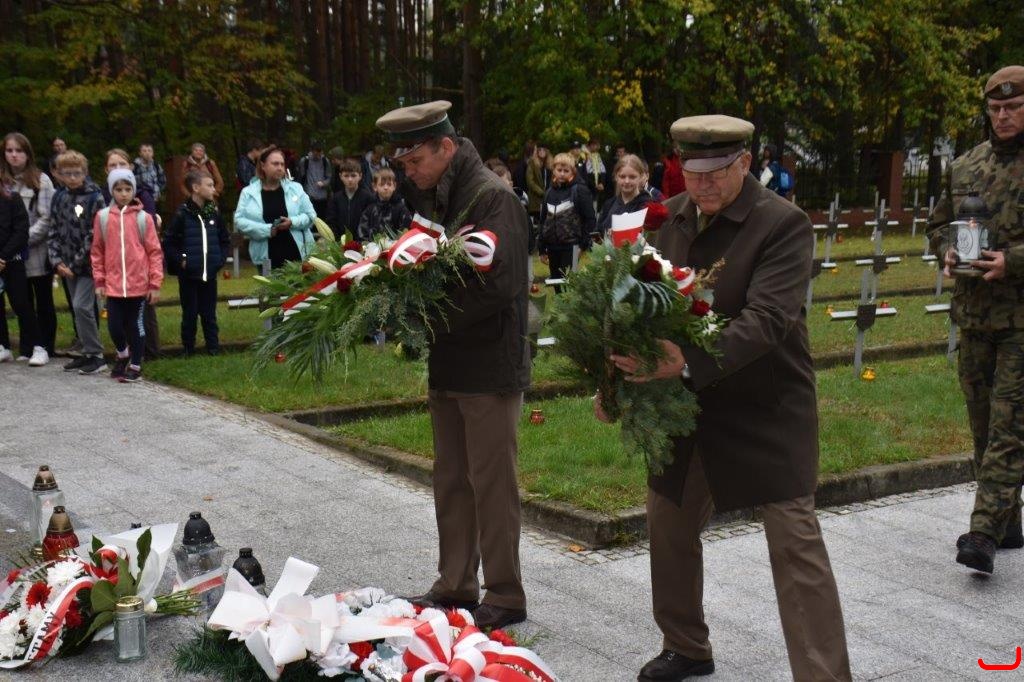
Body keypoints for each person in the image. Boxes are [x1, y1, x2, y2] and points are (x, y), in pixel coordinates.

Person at [602, 115, 851, 682]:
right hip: (688, 406)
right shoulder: (668, 218)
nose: (703, 184)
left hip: (765, 405)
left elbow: (768, 319)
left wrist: (688, 359)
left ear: (745, 163)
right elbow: (636, 305)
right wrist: (613, 383)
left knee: (794, 542)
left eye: (716, 172)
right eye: (692, 172)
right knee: (668, 523)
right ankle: (685, 644)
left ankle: (824, 674)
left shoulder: (782, 224)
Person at [376, 100, 530, 630]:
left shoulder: (492, 198)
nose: (409, 172)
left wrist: (424, 318)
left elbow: (502, 285)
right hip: (451, 364)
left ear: (446, 147)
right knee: (451, 482)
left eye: (415, 160)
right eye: (403, 164)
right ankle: (456, 584)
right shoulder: (440, 195)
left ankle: (505, 593)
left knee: (492, 485)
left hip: (489, 366)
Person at [928, 65, 1024, 575]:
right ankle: (1010, 523)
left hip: (1021, 321)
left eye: (1013, 107)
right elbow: (938, 225)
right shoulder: (965, 165)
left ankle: (983, 533)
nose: (1003, 116)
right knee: (984, 426)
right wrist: (946, 249)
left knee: (1010, 426)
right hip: (974, 317)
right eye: (995, 108)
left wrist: (1014, 261)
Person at [90, 169, 162, 383]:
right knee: (114, 326)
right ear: (112, 191)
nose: (123, 194)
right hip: (113, 285)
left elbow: (154, 252)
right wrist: (100, 280)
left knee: (135, 326)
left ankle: (136, 364)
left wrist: (154, 283)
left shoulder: (143, 218)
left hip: (138, 285)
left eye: (128, 189)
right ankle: (122, 353)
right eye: (119, 189)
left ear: (133, 190)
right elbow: (97, 251)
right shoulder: (103, 217)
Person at [48, 150, 107, 375]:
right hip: (65, 265)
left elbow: (95, 234)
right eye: (67, 174)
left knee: (83, 306)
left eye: (77, 173)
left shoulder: (95, 197)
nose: (72, 178)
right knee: (77, 308)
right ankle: (87, 352)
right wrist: (57, 261)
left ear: (85, 172)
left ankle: (97, 354)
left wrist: (74, 264)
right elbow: (53, 228)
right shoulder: (59, 197)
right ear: (60, 174)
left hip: (88, 265)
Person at [163, 169, 230, 356]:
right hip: (189, 275)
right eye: (209, 185)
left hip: (210, 273)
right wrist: (181, 260)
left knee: (209, 313)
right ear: (196, 188)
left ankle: (213, 348)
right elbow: (169, 242)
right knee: (190, 313)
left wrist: (219, 260)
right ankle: (188, 348)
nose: (213, 189)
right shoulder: (182, 214)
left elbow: (224, 239)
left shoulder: (214, 214)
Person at [1, 132, 55, 359]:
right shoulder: (3, 182)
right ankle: (26, 347)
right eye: (9, 150)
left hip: (36, 250)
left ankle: (45, 346)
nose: (14, 155)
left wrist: (21, 239)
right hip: (11, 255)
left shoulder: (41, 180)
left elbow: (46, 218)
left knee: (42, 300)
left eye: (19, 150)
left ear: (28, 153)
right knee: (21, 300)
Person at [104, 148, 160, 359]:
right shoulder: (103, 206)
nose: (117, 168)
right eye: (112, 165)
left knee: (142, 318)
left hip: (138, 273)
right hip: (115, 275)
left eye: (122, 164)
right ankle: (125, 353)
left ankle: (145, 353)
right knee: (117, 321)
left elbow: (151, 243)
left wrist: (154, 280)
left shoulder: (142, 196)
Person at [233, 146, 316, 270]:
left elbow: (311, 216)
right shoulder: (248, 192)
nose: (280, 168)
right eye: (275, 164)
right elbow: (239, 221)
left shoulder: (296, 188)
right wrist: (266, 230)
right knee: (269, 282)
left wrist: (292, 222)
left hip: (297, 255)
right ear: (263, 166)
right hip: (265, 258)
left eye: (282, 164)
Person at [0, 179, 47, 366]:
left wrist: (3, 257)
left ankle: (39, 346)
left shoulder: (13, 198)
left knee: (21, 303)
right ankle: (3, 346)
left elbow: (21, 232)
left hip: (12, 260)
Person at [537, 152, 595, 288]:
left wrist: (583, 245)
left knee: (569, 284)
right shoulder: (549, 192)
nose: (562, 174)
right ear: (554, 170)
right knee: (556, 284)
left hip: (572, 247)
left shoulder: (579, 190)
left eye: (566, 171)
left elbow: (590, 219)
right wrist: (541, 248)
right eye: (559, 170)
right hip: (552, 247)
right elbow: (543, 221)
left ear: (572, 171)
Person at [597, 153, 655, 235]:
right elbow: (598, 233)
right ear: (616, 177)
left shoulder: (648, 206)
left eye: (632, 177)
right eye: (622, 176)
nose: (627, 181)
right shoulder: (609, 205)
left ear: (641, 177)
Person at [356, 168, 411, 241]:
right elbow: (362, 234)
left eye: (389, 184)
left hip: (396, 246)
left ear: (394, 186)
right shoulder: (369, 209)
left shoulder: (401, 209)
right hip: (373, 247)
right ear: (375, 187)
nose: (386, 187)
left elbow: (406, 231)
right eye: (382, 184)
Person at [328, 158, 374, 240]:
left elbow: (371, 222)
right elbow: (331, 222)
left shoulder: (368, 198)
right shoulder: (335, 199)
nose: (350, 179)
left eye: (353, 175)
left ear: (360, 176)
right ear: (340, 176)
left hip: (362, 243)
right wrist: (336, 241)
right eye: (346, 176)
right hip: (340, 243)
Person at [295, 139, 332, 219]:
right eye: (317, 150)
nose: (320, 153)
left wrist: (324, 183)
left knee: (321, 220)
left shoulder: (325, 161)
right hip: (309, 196)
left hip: (322, 197)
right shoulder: (305, 161)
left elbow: (329, 177)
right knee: (309, 219)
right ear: (312, 150)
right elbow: (300, 178)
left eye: (321, 150)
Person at [525, 144, 551, 224]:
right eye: (540, 150)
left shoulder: (549, 164)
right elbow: (530, 181)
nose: (542, 152)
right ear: (537, 152)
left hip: (548, 198)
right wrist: (542, 192)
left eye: (544, 150)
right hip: (536, 199)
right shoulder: (532, 163)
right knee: (537, 222)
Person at [580, 137, 609, 207]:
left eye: (597, 145)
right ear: (589, 146)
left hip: (597, 183)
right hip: (586, 183)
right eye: (594, 145)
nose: (596, 147)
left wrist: (602, 182)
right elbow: (583, 172)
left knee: (595, 204)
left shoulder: (598, 155)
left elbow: (602, 170)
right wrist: (593, 185)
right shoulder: (583, 155)